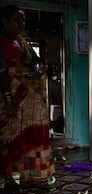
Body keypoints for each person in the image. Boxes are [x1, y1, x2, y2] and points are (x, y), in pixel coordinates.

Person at [0, 5, 55, 184]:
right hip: (11, 99)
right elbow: (3, 74)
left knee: (28, 137)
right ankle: (7, 175)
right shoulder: (2, 43)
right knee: (9, 137)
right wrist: (9, 101)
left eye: (23, 21)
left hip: (30, 106)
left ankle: (27, 172)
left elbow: (35, 65)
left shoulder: (22, 42)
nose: (21, 24)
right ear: (5, 22)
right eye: (16, 20)